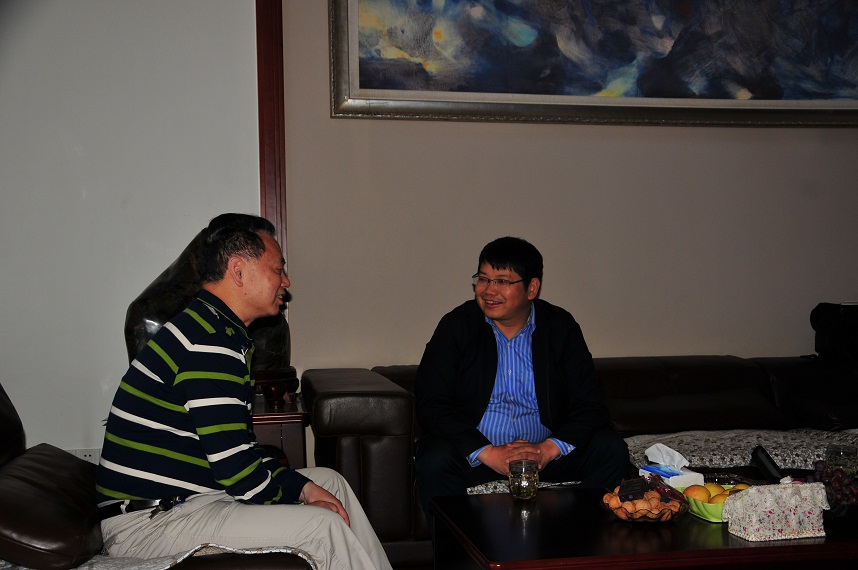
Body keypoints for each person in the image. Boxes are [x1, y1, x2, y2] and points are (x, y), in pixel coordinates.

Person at [96, 213, 391, 570]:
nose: (286, 281)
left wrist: (305, 488)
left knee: (331, 482)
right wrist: (300, 491)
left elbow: (238, 451)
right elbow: (236, 470)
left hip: (191, 500)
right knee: (321, 525)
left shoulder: (216, 330)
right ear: (238, 271)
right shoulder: (208, 342)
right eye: (277, 269)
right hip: (150, 523)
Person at [414, 236, 629, 531]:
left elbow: (590, 404)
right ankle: (456, 552)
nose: (488, 291)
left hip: (543, 455)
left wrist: (547, 450)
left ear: (532, 288)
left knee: (609, 448)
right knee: (434, 459)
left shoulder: (559, 326)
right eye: (483, 279)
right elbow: (431, 403)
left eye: (502, 281)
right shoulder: (457, 326)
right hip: (478, 455)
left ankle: (585, 544)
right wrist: (489, 453)